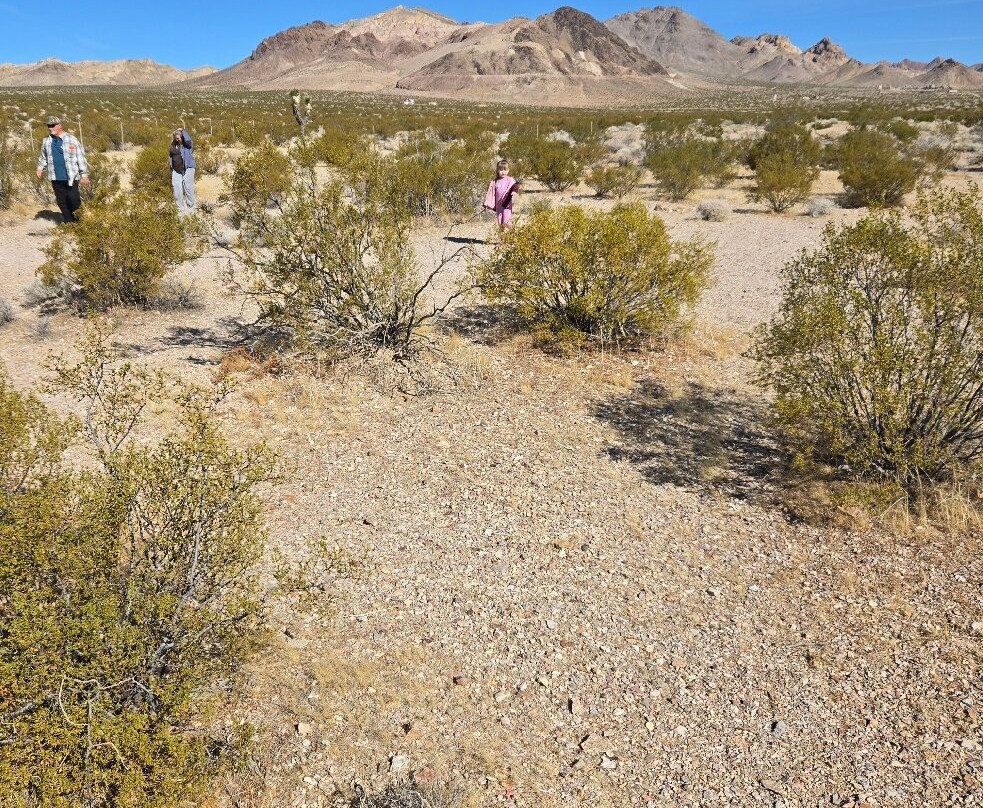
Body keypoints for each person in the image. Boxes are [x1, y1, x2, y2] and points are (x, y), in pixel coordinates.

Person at [36, 115, 89, 223]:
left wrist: (84, 174)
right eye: (48, 126)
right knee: (61, 202)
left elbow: (80, 157)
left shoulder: (71, 140)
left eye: (53, 125)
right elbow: (43, 156)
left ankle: (80, 223)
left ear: (59, 125)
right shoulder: (46, 141)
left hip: (71, 176)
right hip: (55, 177)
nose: (50, 128)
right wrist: (40, 168)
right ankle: (70, 224)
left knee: (73, 200)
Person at [483, 159, 520, 234]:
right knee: (500, 223)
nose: (503, 172)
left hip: (506, 205)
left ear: (508, 170)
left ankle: (514, 233)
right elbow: (490, 193)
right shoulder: (495, 181)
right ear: (497, 170)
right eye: (501, 170)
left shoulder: (509, 180)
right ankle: (501, 240)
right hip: (498, 206)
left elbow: (515, 186)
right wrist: (487, 203)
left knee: (505, 221)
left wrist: (514, 191)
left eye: (505, 170)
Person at [169, 128, 196, 212]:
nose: (178, 139)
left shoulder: (187, 145)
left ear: (182, 136)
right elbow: (170, 157)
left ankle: (190, 207)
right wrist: (171, 168)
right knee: (177, 189)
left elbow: (188, 140)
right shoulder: (173, 145)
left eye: (179, 137)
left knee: (188, 188)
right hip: (176, 170)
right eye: (176, 138)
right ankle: (179, 209)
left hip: (188, 169)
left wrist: (183, 131)